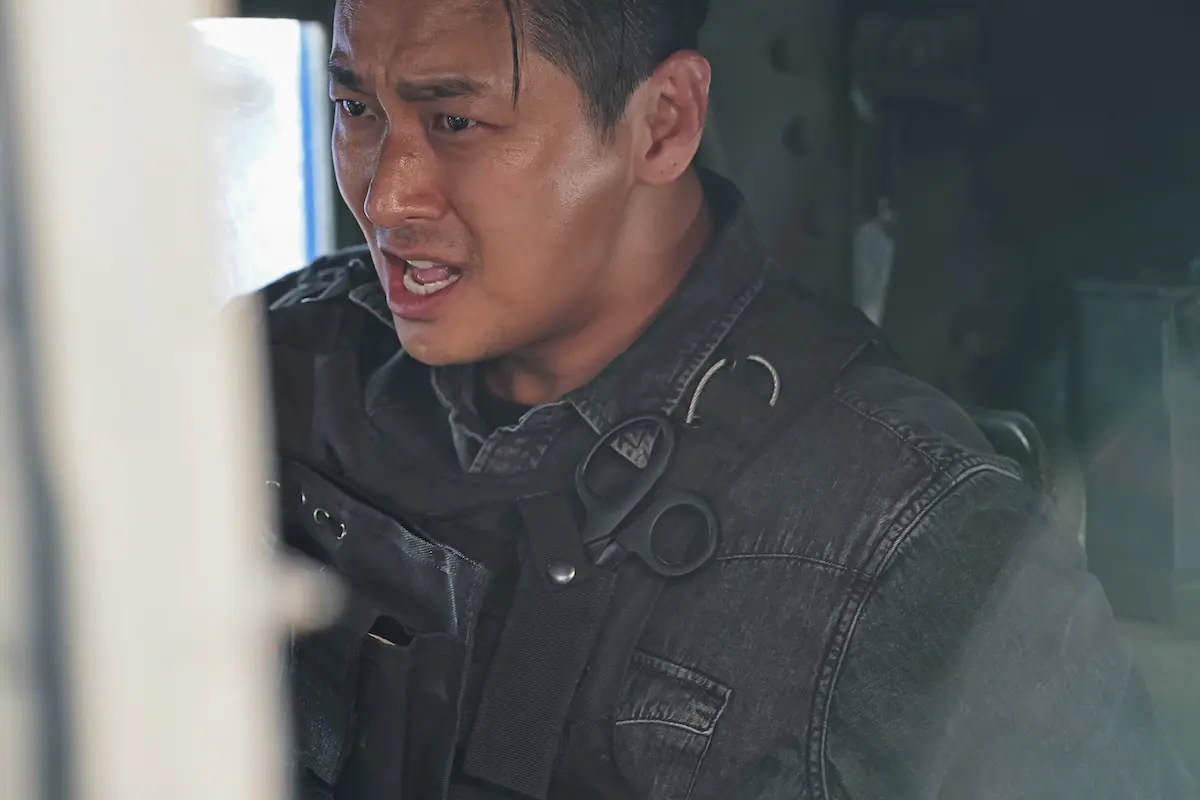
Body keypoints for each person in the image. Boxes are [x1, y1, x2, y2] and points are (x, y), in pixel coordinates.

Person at [261, 0, 1195, 797]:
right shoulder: (270, 368)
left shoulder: (919, 543)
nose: (385, 196)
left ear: (663, 123)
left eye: (456, 122)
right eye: (355, 108)